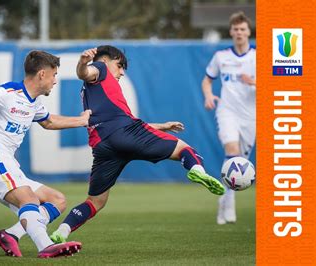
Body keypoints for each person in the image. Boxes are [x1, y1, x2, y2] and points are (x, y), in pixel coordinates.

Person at [50, 45, 225, 243]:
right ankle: (198, 171)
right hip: (125, 133)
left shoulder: (98, 92)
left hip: (103, 145)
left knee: (95, 202)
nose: (122, 72)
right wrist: (83, 62)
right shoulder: (101, 67)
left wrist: (162, 126)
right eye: (120, 65)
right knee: (184, 149)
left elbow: (128, 123)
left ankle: (62, 231)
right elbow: (85, 73)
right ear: (106, 61)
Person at [0, 50, 90, 258]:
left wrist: (82, 121)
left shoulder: (34, 102)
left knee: (57, 200)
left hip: (6, 163)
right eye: (54, 75)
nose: (55, 81)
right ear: (42, 74)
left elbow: (49, 122)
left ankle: (11, 234)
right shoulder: (8, 93)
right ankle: (45, 246)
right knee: (29, 200)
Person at [201, 11, 256, 225]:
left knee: (242, 161)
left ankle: (223, 199)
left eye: (243, 29)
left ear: (248, 32)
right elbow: (207, 80)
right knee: (232, 153)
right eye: (236, 29)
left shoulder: (258, 57)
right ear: (231, 32)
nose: (239, 32)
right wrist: (208, 95)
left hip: (251, 116)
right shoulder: (221, 56)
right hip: (227, 111)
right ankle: (230, 202)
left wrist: (252, 82)